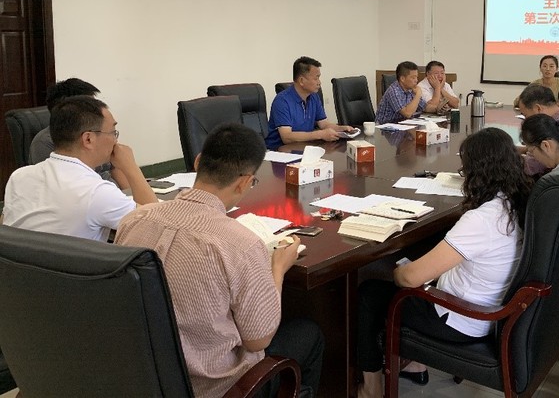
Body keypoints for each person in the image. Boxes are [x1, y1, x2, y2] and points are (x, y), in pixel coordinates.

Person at [115, 123, 324, 398]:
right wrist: (278, 269)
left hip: (143, 379)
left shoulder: (133, 220)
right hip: (217, 389)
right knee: (309, 334)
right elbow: (258, 339)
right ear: (244, 182)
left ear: (198, 161)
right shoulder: (240, 243)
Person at [356, 128, 529, 398]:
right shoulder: (517, 202)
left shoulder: (481, 219)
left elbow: (410, 279)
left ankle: (371, 388)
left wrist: (399, 273)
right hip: (493, 307)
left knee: (369, 293)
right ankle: (413, 364)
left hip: (462, 318)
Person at [3, 96, 156, 241]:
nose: (115, 140)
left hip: (22, 261)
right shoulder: (97, 192)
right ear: (88, 139)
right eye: (112, 133)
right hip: (76, 261)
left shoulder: (19, 176)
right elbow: (158, 225)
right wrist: (130, 167)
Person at [29, 77, 129, 189]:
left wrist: (129, 193)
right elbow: (61, 187)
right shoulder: (44, 143)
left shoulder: (97, 133)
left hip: (113, 192)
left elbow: (115, 167)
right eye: (91, 107)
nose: (98, 111)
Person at [265, 56, 354, 149]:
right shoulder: (282, 101)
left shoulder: (314, 97)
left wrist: (341, 129)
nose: (319, 82)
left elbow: (324, 124)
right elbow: (287, 137)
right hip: (280, 151)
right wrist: (320, 134)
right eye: (316, 78)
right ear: (301, 81)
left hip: (305, 148)